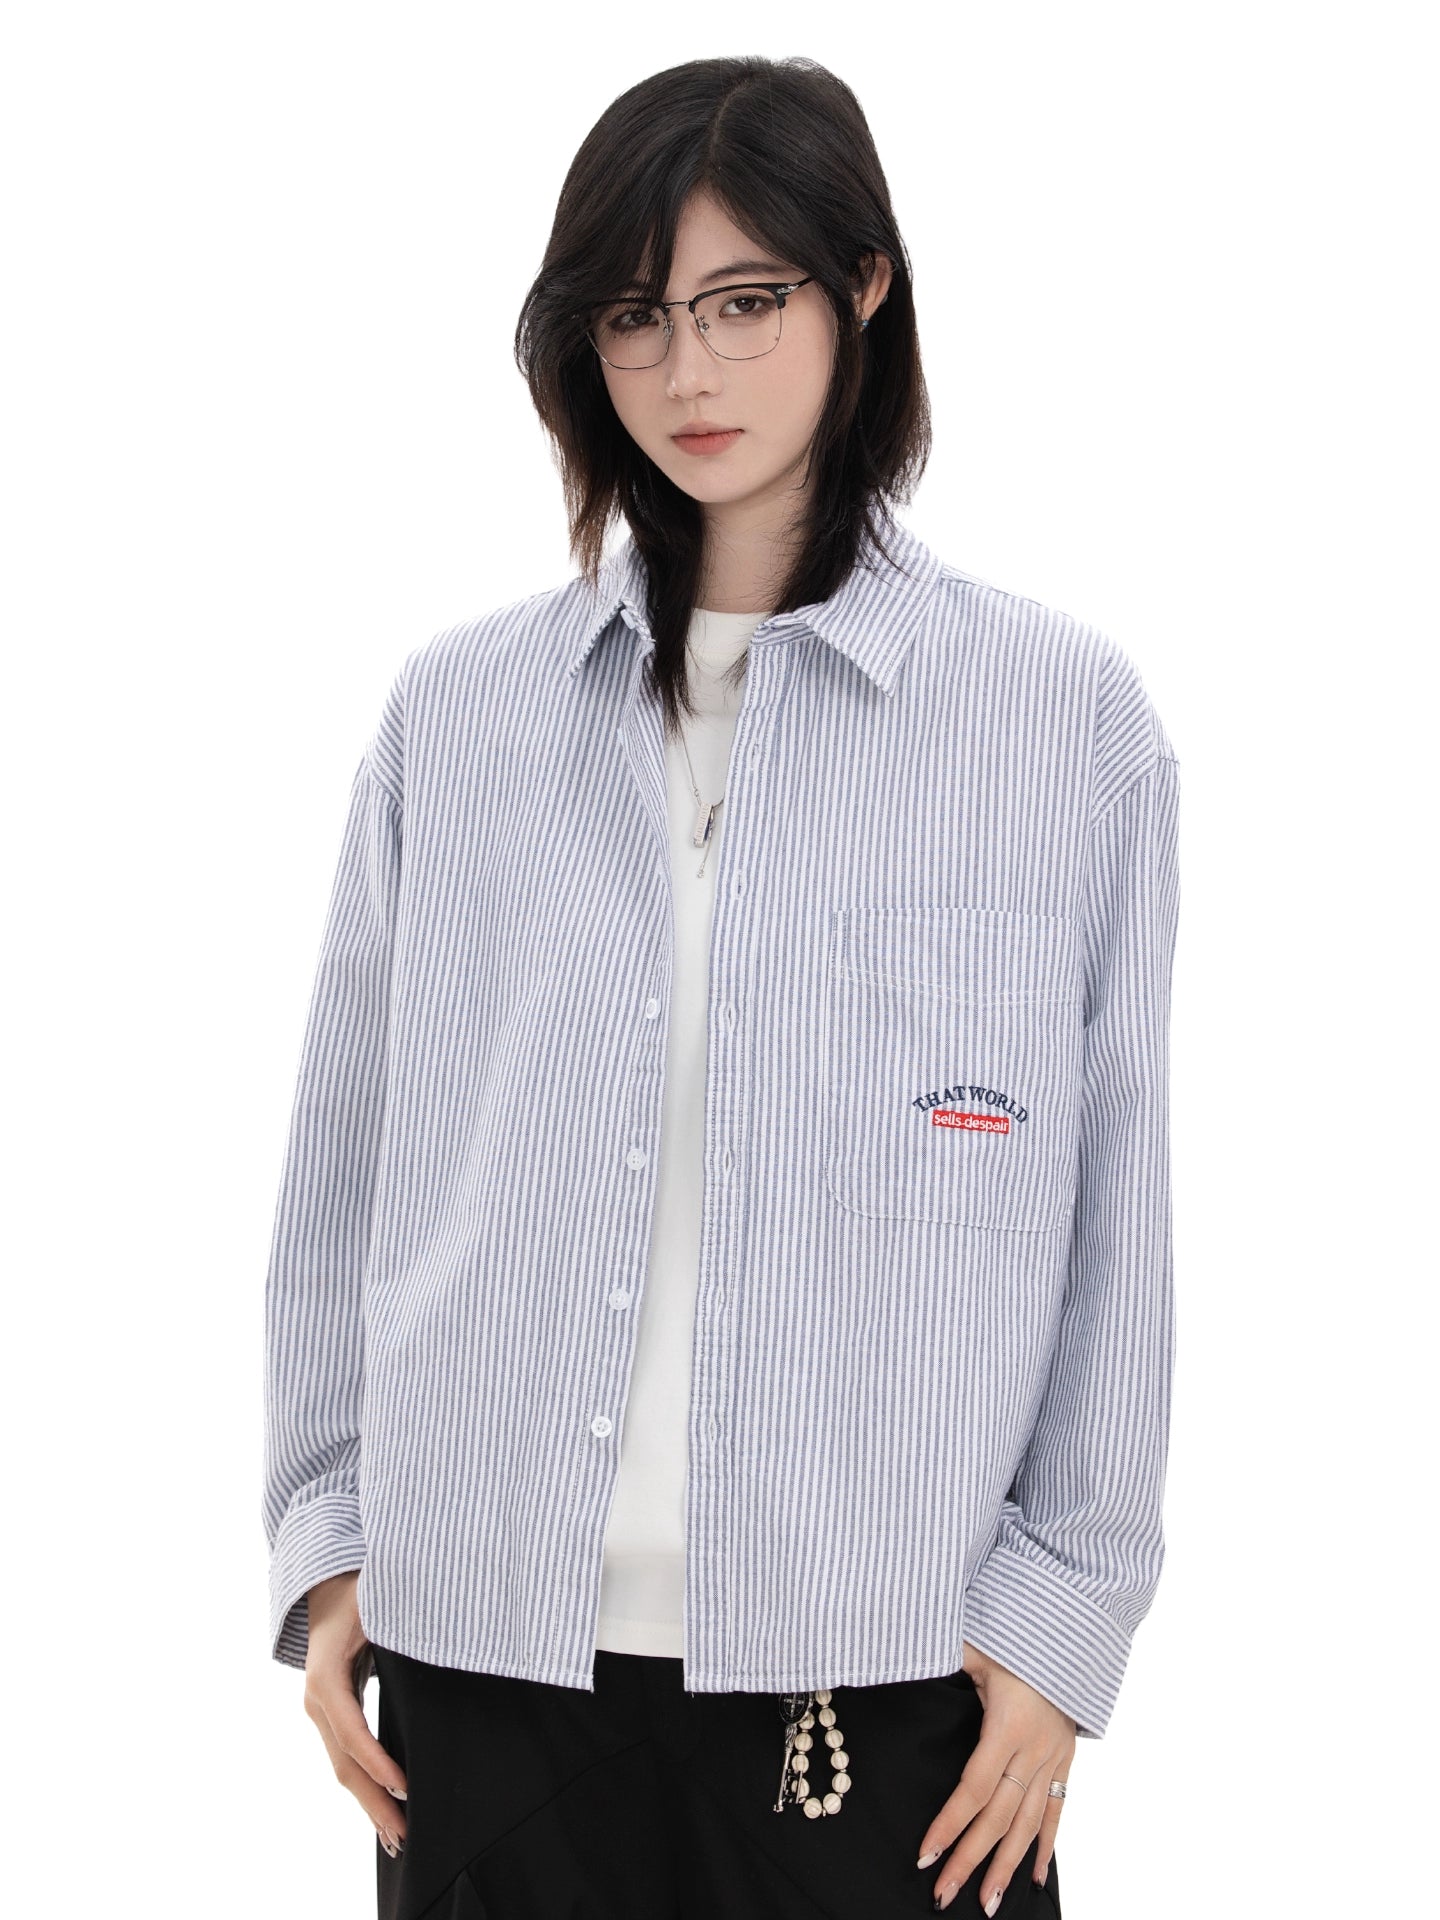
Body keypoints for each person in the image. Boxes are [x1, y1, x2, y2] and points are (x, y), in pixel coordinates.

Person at [262, 52, 1180, 1920]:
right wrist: (333, 1541)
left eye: (744, 302)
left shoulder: (1061, 723)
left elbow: (1116, 1213)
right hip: (489, 1680)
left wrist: (1064, 1622)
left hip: (892, 1694)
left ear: (864, 289)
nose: (688, 371)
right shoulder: (458, 720)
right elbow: (348, 1171)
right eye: (633, 317)